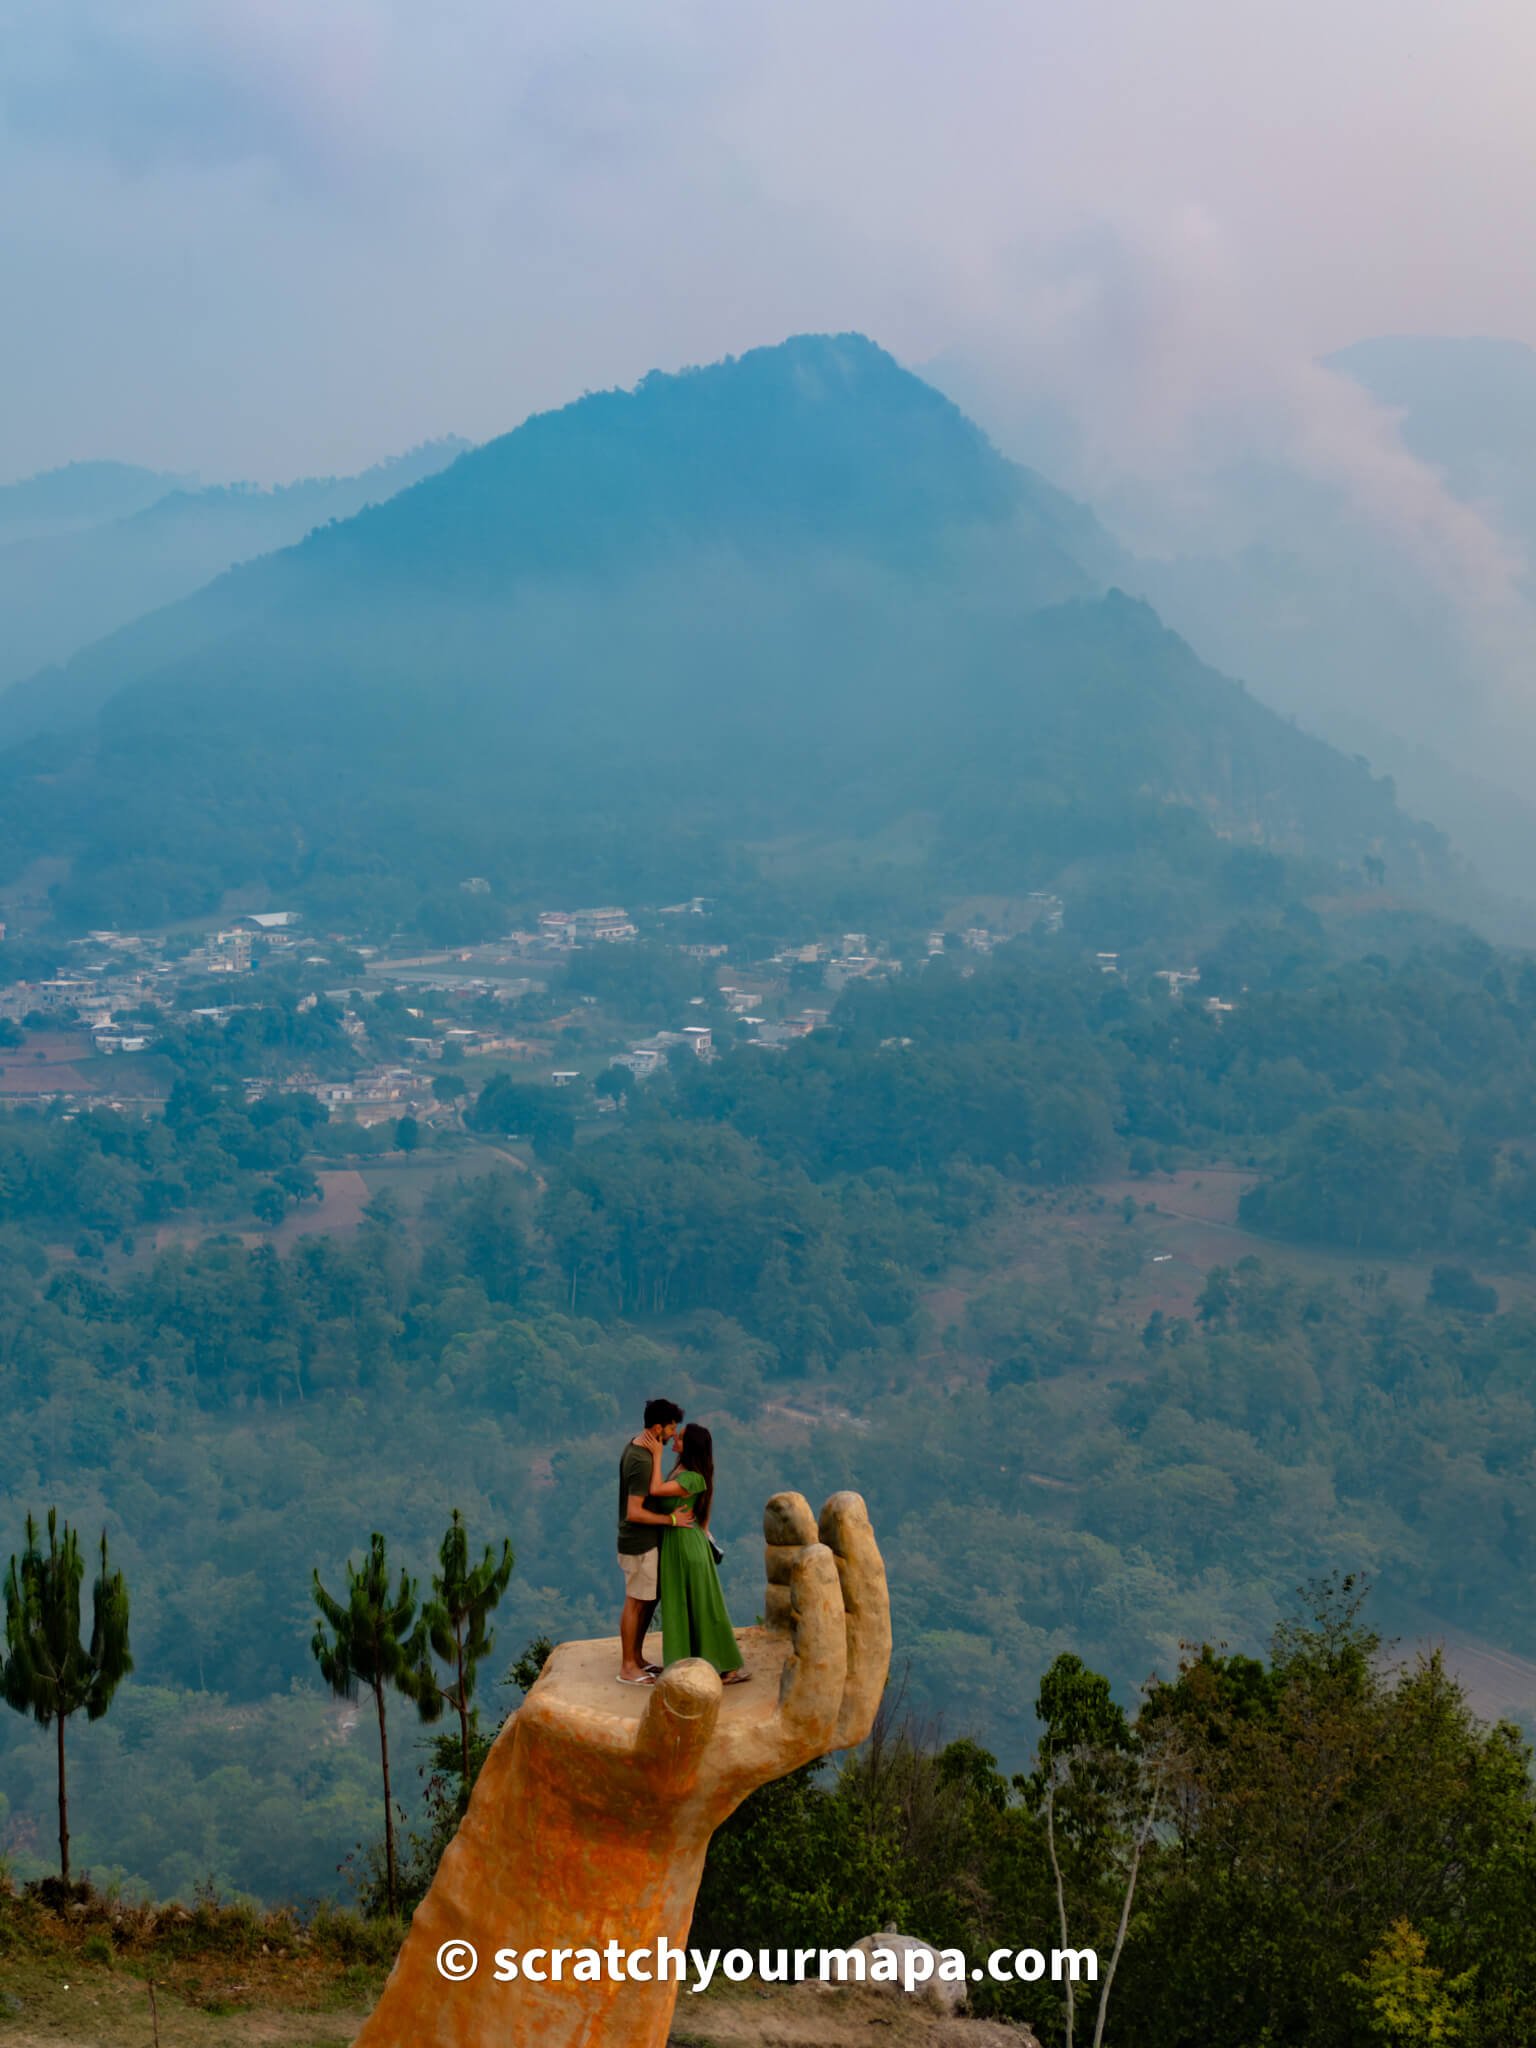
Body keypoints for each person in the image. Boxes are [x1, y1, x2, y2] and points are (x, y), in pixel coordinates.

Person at [647, 1423, 749, 1684]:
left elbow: (656, 1490)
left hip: (685, 1546)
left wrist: (656, 1454)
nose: (674, 1439)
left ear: (689, 1446)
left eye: (680, 1438)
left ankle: (725, 1666)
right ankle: (691, 1664)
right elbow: (704, 1520)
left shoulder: (693, 1477)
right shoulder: (682, 1470)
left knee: (702, 1605)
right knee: (685, 1604)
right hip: (679, 1543)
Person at [617, 1398, 691, 1685]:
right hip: (638, 1542)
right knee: (635, 1602)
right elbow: (634, 1511)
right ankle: (627, 1666)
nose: (673, 1434)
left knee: (647, 1600)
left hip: (647, 1542)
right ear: (658, 1427)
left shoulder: (643, 1450)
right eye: (671, 1429)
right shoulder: (642, 1458)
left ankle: (637, 1658)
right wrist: (670, 1520)